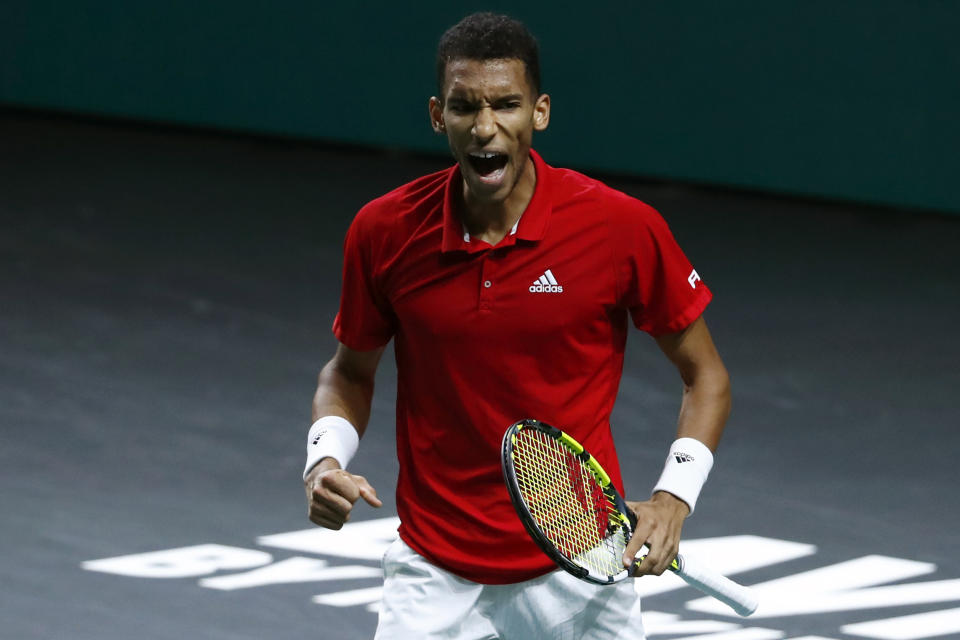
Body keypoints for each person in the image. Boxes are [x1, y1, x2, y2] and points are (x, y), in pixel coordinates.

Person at [303, 12, 731, 639]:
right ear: (435, 115)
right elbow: (348, 372)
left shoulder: (619, 227)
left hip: (583, 563)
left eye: (506, 105)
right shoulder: (384, 230)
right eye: (463, 107)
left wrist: (673, 498)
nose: (484, 128)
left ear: (540, 112)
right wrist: (324, 459)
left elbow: (706, 376)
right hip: (434, 571)